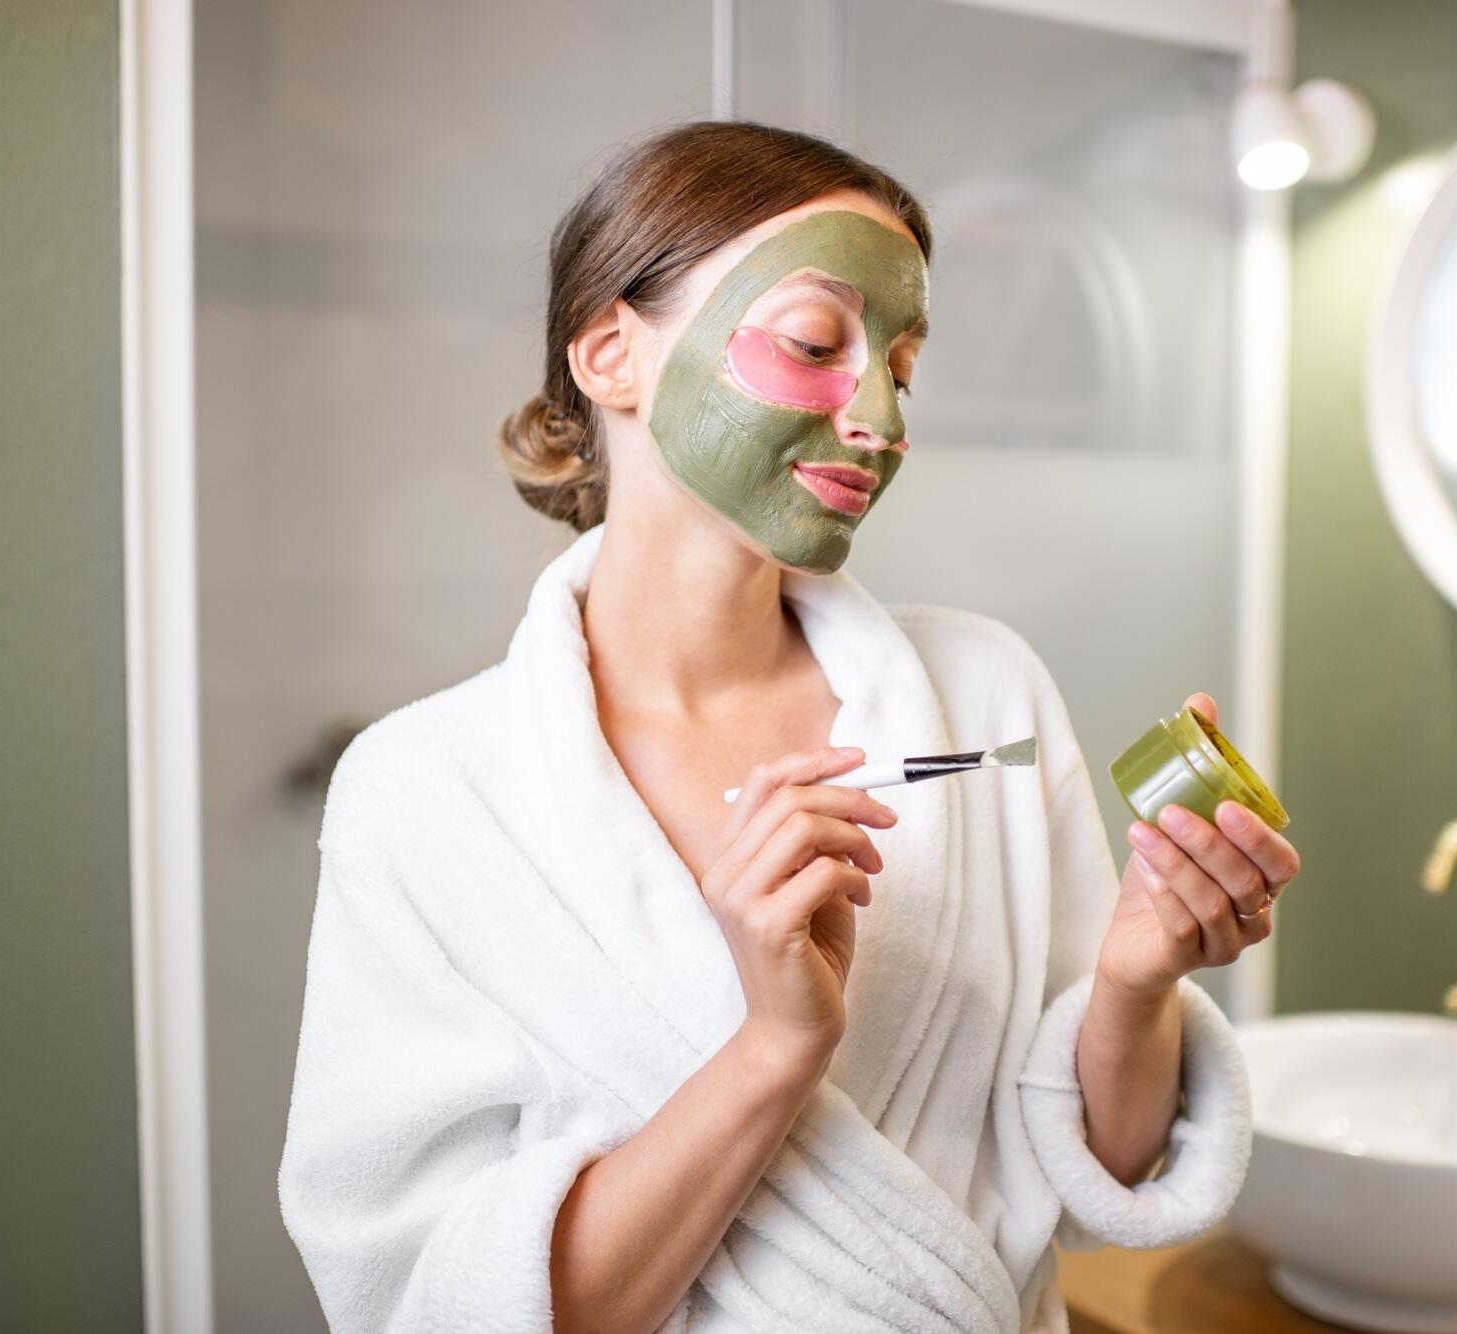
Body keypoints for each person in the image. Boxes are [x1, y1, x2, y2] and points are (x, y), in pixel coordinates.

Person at [279, 119, 1300, 1334]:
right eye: (817, 341)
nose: (880, 418)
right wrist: (772, 1046)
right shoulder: (426, 795)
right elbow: (440, 1305)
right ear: (611, 353)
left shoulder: (986, 698)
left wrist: (1136, 979)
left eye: (903, 370)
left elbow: (1106, 1174)